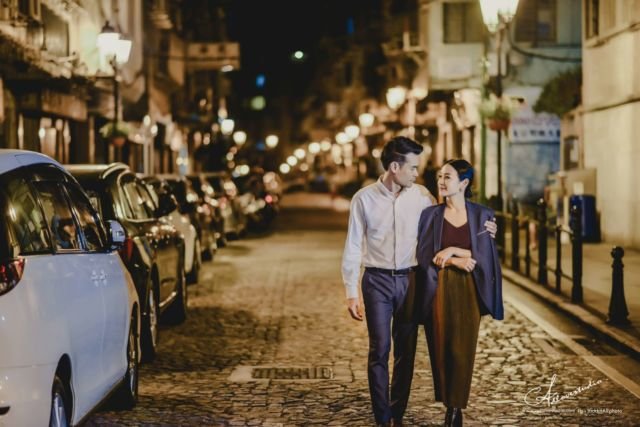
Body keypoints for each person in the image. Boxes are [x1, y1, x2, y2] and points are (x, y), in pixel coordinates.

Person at [342, 138, 496, 426]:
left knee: (406, 350)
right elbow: (352, 246)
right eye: (412, 168)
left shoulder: (423, 197)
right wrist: (351, 291)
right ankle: (382, 417)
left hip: (411, 280)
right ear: (394, 167)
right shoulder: (363, 199)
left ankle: (396, 413)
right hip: (376, 280)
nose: (417, 174)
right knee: (379, 349)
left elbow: (451, 220)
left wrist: (483, 225)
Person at [415, 159, 504, 427]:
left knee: (463, 347)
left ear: (464, 183)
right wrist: (454, 261)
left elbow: (486, 257)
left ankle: (456, 407)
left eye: (448, 177)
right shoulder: (430, 215)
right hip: (439, 285)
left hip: (469, 289)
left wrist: (452, 251)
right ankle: (448, 400)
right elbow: (423, 256)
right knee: (441, 345)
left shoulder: (483, 215)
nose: (441, 181)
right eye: (440, 176)